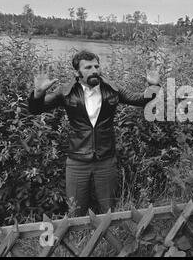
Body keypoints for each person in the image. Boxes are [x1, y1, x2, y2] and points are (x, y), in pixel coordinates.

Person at [28, 50, 160, 216]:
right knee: (75, 211)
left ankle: (110, 240)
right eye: (88, 67)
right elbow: (36, 109)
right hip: (77, 161)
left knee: (109, 211)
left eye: (96, 66)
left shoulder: (112, 89)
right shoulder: (66, 91)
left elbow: (140, 100)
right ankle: (80, 241)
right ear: (77, 72)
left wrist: (153, 86)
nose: (94, 70)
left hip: (106, 160)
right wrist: (38, 93)